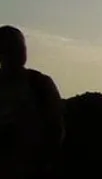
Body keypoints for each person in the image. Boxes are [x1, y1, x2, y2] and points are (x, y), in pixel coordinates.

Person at [0, 26, 64, 179]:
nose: (20, 52)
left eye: (21, 46)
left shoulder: (39, 83)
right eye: (12, 47)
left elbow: (56, 127)